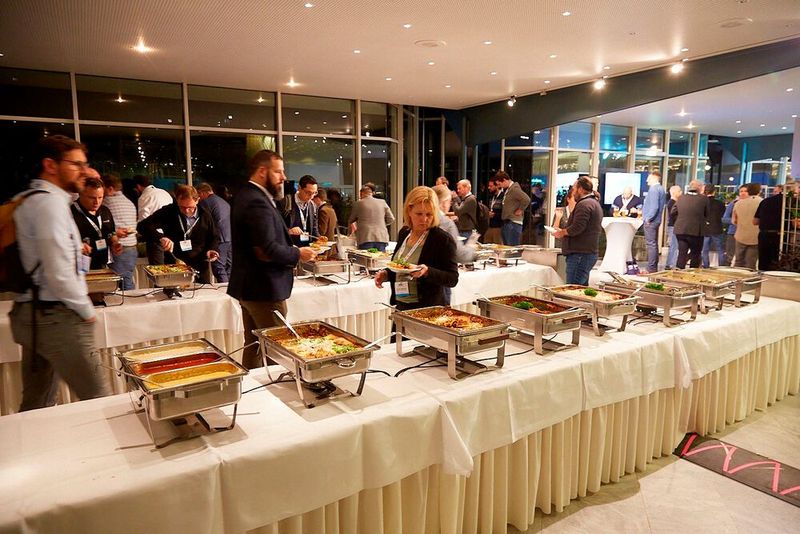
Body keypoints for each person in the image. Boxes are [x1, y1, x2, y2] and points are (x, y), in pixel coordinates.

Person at [9, 135, 112, 411]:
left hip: (32, 311)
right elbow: (58, 271)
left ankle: (31, 450)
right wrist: (86, 309)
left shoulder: (30, 198)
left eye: (84, 164)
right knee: (102, 402)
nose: (84, 171)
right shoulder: (50, 204)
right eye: (76, 164)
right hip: (56, 315)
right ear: (50, 165)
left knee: (37, 404)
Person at [228, 150, 316, 369]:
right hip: (264, 289)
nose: (283, 177)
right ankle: (280, 395)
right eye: (278, 172)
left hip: (249, 287)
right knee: (280, 346)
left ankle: (253, 392)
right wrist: (298, 253)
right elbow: (265, 250)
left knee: (254, 345)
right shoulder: (256, 201)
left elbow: (262, 239)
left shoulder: (246, 195)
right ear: (261, 172)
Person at [374, 186, 458, 311]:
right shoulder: (404, 232)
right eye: (419, 214)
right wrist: (386, 274)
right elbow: (401, 267)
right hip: (402, 304)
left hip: (428, 309)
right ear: (409, 211)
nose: (424, 219)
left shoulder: (442, 239)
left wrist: (428, 271)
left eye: (429, 214)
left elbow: (452, 279)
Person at [137, 185, 220, 283]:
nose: (186, 211)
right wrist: (161, 238)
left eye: (190, 207)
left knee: (201, 296)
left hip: (199, 266)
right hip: (174, 265)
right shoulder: (169, 211)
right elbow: (142, 226)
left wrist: (212, 249)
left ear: (197, 200)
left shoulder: (205, 214)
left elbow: (214, 236)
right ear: (177, 200)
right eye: (182, 207)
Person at [552, 176, 603, 285]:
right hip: (585, 253)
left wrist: (562, 232)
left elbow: (577, 227)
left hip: (580, 254)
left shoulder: (585, 204)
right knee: (581, 290)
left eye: (574, 189)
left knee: (572, 289)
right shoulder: (592, 203)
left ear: (580, 189)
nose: (573, 192)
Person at [71, 177, 122, 270]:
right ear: (81, 194)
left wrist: (115, 243)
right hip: (79, 266)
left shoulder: (105, 211)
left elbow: (112, 233)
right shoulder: (70, 213)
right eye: (92, 198)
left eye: (100, 197)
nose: (97, 202)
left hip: (102, 263)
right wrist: (78, 245)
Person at [102, 174, 138, 289]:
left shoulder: (107, 202)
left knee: (122, 283)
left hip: (119, 247)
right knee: (127, 279)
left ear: (110, 188)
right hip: (132, 247)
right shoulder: (129, 202)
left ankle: (129, 305)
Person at [134, 174, 173, 265]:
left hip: (156, 239)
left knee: (158, 272)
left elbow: (143, 224)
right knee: (172, 269)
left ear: (138, 186)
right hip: (170, 237)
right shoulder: (164, 192)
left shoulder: (144, 197)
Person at [197, 182, 232, 282]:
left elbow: (204, 222)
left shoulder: (205, 203)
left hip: (219, 237)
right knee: (229, 267)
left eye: (198, 196)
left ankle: (225, 291)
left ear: (202, 193)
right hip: (230, 236)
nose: (198, 199)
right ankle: (231, 290)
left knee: (218, 266)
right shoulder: (223, 202)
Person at [754, 178, 791, 271]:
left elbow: (755, 221)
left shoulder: (765, 201)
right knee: (779, 262)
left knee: (763, 262)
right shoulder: (790, 202)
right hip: (781, 236)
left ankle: (762, 282)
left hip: (764, 235)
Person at [671, 180, 708, 269]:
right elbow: (707, 214)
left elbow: (673, 212)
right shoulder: (703, 199)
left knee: (682, 253)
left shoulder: (681, 198)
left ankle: (679, 274)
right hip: (696, 230)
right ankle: (692, 274)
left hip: (680, 230)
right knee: (695, 253)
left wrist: (680, 220)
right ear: (699, 188)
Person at [348, 182, 395, 251]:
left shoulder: (358, 204)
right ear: (371, 193)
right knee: (379, 259)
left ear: (361, 194)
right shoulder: (382, 202)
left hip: (365, 237)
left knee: (366, 259)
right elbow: (391, 219)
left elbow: (351, 220)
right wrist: (381, 224)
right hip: (381, 236)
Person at [732, 182, 763, 270]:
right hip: (755, 237)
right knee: (751, 263)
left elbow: (734, 221)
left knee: (738, 261)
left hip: (740, 235)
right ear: (759, 191)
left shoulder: (738, 203)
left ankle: (737, 281)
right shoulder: (762, 202)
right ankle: (749, 282)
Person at [283, 175, 319, 246]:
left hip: (307, 247)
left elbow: (314, 227)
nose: (311, 196)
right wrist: (289, 230)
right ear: (299, 188)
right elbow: (275, 226)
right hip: (290, 247)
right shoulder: (286, 202)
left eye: (314, 193)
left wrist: (318, 238)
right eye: (308, 193)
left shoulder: (312, 205)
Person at [641, 172, 666, 272]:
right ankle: (653, 266)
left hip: (651, 221)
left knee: (651, 244)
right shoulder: (661, 189)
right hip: (656, 220)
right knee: (653, 244)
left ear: (654, 178)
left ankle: (651, 268)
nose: (647, 181)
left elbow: (654, 206)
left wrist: (648, 218)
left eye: (649, 178)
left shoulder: (654, 189)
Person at [496, 172, 530, 246]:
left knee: (512, 249)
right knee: (507, 248)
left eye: (499, 184)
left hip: (513, 223)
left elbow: (526, 199)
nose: (499, 186)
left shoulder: (514, 189)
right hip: (508, 222)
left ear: (504, 180)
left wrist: (521, 209)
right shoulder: (508, 190)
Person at [721, 185, 748, 267]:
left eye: (745, 191)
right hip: (733, 233)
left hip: (746, 233)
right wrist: (736, 221)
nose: (743, 193)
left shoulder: (751, 204)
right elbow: (724, 218)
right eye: (741, 191)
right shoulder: (733, 204)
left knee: (743, 258)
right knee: (729, 256)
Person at [701, 184, 726, 268]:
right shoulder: (720, 204)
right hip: (717, 228)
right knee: (720, 250)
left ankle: (706, 266)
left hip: (705, 229)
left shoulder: (702, 202)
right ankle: (722, 267)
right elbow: (723, 215)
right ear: (714, 192)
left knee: (704, 250)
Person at [665, 185, 682, 268]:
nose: (681, 193)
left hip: (674, 226)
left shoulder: (675, 202)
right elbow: (674, 216)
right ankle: (671, 264)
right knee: (674, 246)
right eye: (679, 191)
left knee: (674, 246)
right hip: (673, 226)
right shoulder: (672, 203)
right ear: (674, 193)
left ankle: (670, 264)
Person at [484, 176, 505, 244]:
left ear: (497, 186)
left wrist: (494, 215)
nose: (489, 187)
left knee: (498, 247)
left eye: (491, 186)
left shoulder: (503, 196)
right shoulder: (492, 197)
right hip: (490, 225)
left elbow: (504, 212)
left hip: (498, 227)